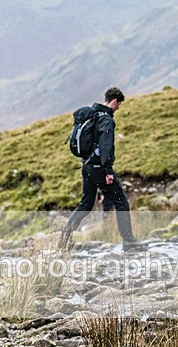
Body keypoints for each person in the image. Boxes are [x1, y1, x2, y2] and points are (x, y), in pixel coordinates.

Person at [60, 87, 141, 250]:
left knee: (86, 204)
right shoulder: (106, 119)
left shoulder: (93, 115)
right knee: (121, 202)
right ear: (114, 101)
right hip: (99, 167)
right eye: (119, 104)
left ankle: (64, 240)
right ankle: (129, 241)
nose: (118, 108)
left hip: (86, 166)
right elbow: (106, 146)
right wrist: (108, 171)